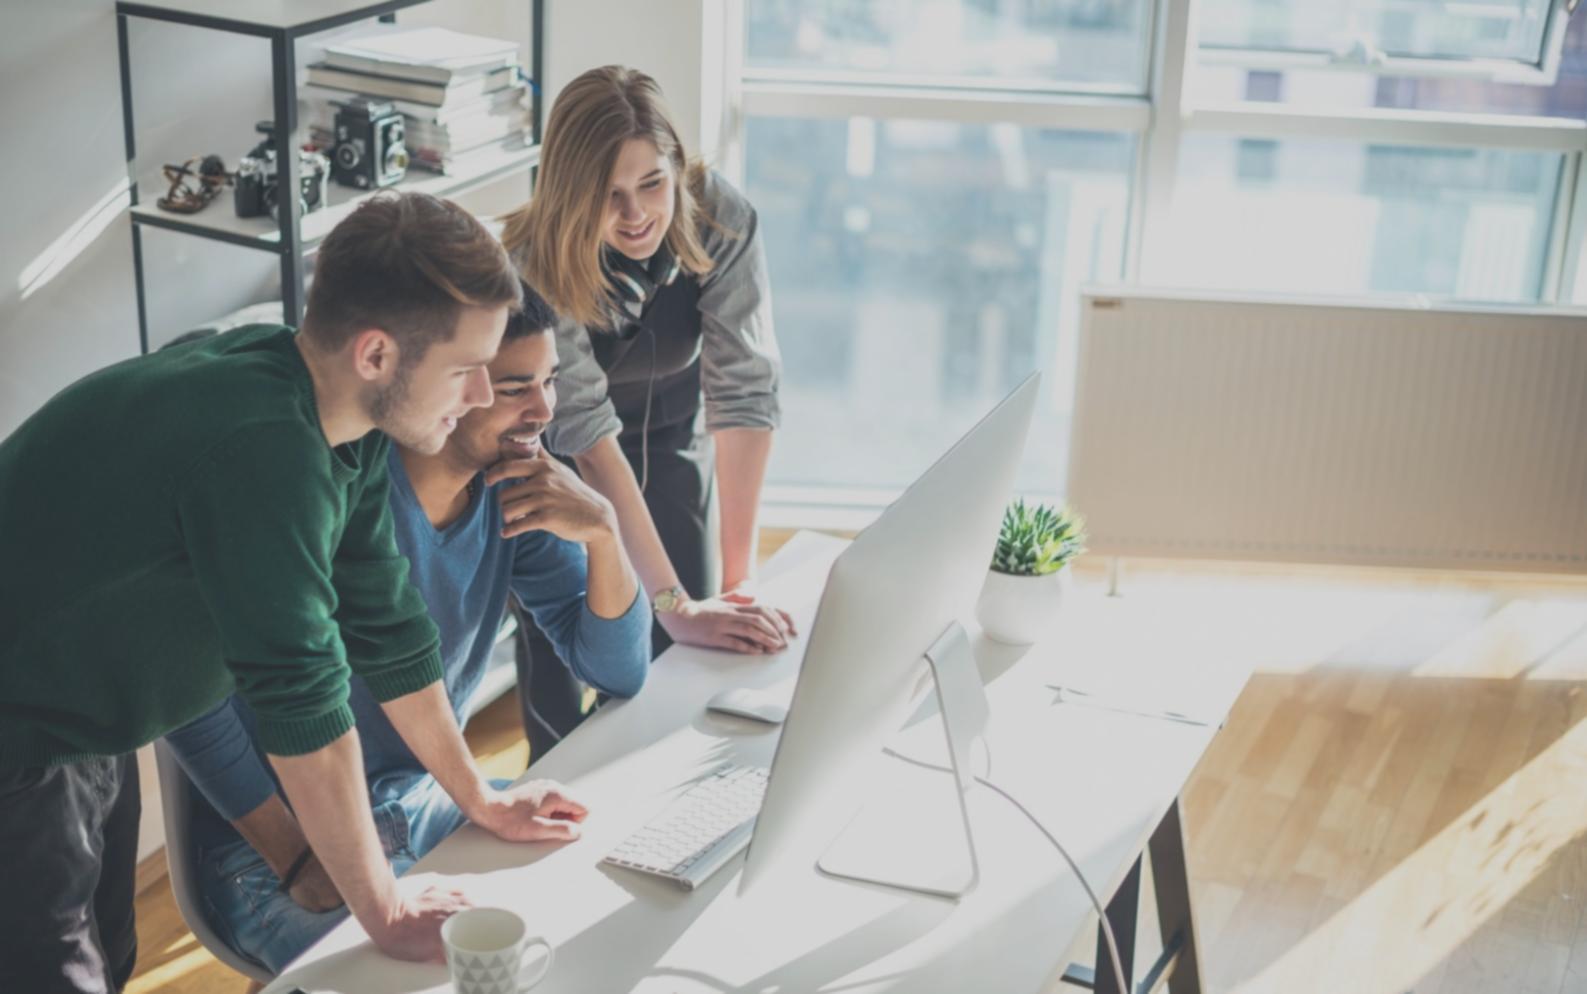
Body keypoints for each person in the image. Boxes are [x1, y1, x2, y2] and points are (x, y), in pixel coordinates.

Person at [0, 192, 580, 993]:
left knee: (110, 960)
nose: (483, 396)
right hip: (21, 736)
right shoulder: (264, 451)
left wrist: (479, 797)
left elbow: (390, 629)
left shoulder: (338, 419)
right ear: (376, 354)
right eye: (464, 370)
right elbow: (302, 702)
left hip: (87, 722)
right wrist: (382, 906)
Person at [163, 282, 649, 972]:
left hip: (422, 800)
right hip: (279, 841)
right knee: (429, 976)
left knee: (600, 887)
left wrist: (603, 532)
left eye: (548, 382)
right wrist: (298, 855)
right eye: (515, 388)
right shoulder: (323, 495)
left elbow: (617, 669)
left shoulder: (517, 488)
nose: (544, 410)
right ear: (451, 386)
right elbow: (182, 694)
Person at [500, 65, 796, 680]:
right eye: (609, 194)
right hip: (560, 461)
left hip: (672, 436)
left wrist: (738, 581)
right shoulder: (533, 263)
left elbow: (743, 390)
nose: (636, 214)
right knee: (575, 657)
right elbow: (585, 430)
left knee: (692, 647)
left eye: (653, 183)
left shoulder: (720, 218)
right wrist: (671, 605)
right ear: (570, 191)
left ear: (677, 168)